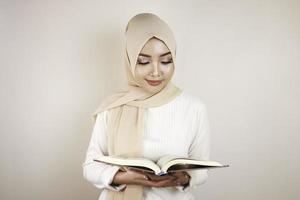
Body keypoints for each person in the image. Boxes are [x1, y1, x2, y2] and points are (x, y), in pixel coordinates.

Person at [82, 13, 210, 200]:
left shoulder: (194, 108)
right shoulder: (114, 106)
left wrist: (183, 178)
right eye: (143, 61)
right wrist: (123, 177)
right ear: (130, 60)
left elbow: (202, 170)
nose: (156, 72)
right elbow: (90, 167)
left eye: (166, 61)